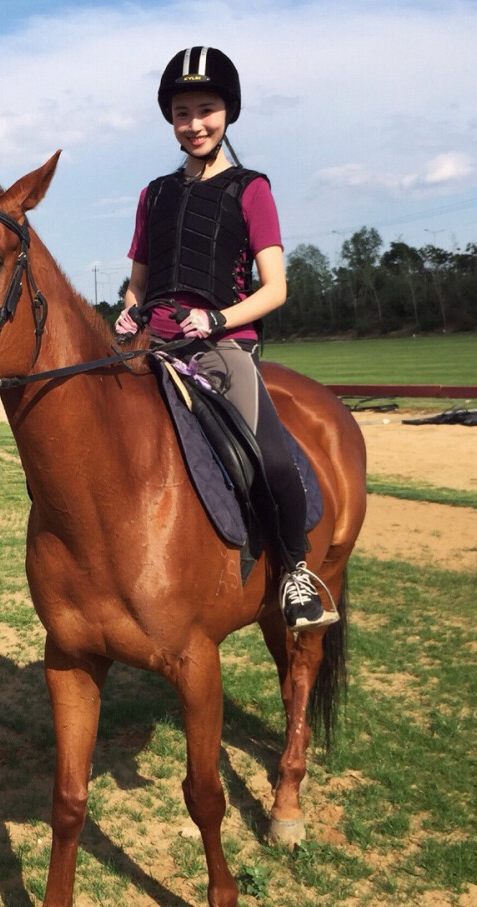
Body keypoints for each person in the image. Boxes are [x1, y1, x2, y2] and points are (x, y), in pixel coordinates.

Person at [115, 45, 337, 632]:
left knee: (269, 453)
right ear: (170, 119)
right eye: (182, 112)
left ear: (228, 112)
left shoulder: (251, 189)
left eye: (206, 109)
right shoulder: (153, 195)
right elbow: (136, 285)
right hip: (152, 346)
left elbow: (277, 288)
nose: (194, 124)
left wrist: (216, 320)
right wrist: (127, 312)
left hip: (222, 347)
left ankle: (293, 569)